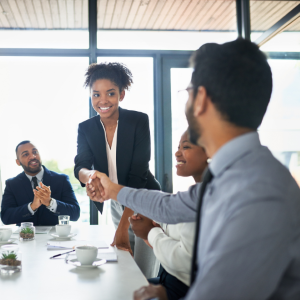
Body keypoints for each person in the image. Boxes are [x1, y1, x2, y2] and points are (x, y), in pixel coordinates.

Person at [87, 38, 300, 300]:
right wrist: (114, 190)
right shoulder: (234, 173)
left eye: (187, 92)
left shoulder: (259, 192)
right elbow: (169, 206)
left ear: (200, 100)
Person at [74, 62, 160, 278]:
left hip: (144, 198)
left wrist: (123, 227)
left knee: (142, 269)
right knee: (125, 263)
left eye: (110, 93)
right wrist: (91, 177)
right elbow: (81, 166)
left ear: (121, 94)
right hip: (115, 200)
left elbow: (137, 175)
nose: (102, 101)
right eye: (96, 95)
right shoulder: (86, 128)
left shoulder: (138, 121)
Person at [130, 130, 208, 300]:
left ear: (210, 151)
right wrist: (152, 231)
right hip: (168, 280)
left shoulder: (204, 200)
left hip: (182, 291)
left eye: (185, 147)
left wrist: (151, 233)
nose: (177, 153)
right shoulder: (193, 195)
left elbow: (184, 259)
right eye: (177, 147)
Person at [1, 141, 80, 226]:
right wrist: (31, 207)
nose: (32, 156)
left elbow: (75, 214)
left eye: (35, 152)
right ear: (18, 162)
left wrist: (50, 203)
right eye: (25, 154)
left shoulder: (61, 179)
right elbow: (6, 217)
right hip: (26, 236)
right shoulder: (12, 184)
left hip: (54, 238)